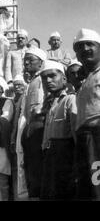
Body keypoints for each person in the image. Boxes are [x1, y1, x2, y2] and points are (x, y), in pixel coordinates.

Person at [39, 60, 77, 200]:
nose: (48, 80)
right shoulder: (52, 103)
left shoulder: (70, 100)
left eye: (52, 76)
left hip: (64, 160)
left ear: (64, 78)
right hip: (50, 158)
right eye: (44, 78)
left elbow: (75, 134)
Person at [73, 28, 100, 200]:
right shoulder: (85, 81)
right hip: (85, 139)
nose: (85, 49)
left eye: (90, 44)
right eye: (80, 47)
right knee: (88, 189)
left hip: (98, 136)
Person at [21, 47, 46, 200]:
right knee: (32, 169)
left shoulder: (43, 78)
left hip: (41, 127)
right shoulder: (32, 82)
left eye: (31, 59)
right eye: (25, 60)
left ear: (41, 62)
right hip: (31, 127)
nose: (27, 62)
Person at [10, 75, 27, 200]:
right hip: (12, 138)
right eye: (15, 85)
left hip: (21, 136)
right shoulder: (10, 100)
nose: (17, 87)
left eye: (20, 84)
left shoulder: (25, 98)